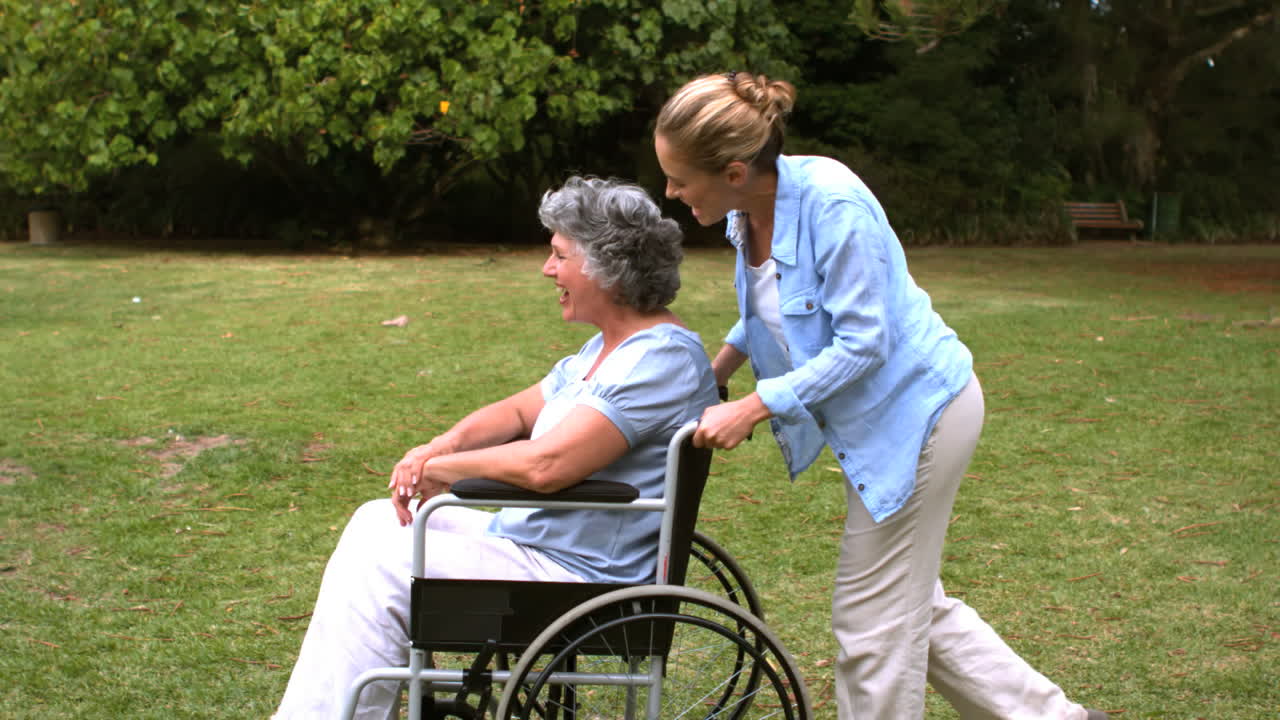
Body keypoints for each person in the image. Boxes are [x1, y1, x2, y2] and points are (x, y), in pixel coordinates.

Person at [653, 73, 1108, 720]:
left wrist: (756, 405)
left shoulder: (833, 205)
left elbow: (864, 343)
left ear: (732, 170)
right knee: (913, 604)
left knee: (871, 619)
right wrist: (715, 372)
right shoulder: (749, 209)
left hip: (921, 417)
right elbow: (773, 309)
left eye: (678, 179)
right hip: (878, 423)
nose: (669, 192)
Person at [273, 176, 719, 720]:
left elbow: (547, 465)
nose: (546, 269)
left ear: (607, 265)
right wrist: (442, 444)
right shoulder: (606, 350)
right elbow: (516, 413)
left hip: (580, 579)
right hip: (543, 545)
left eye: (559, 255)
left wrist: (445, 470)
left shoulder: (658, 360)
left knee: (383, 562)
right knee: (377, 523)